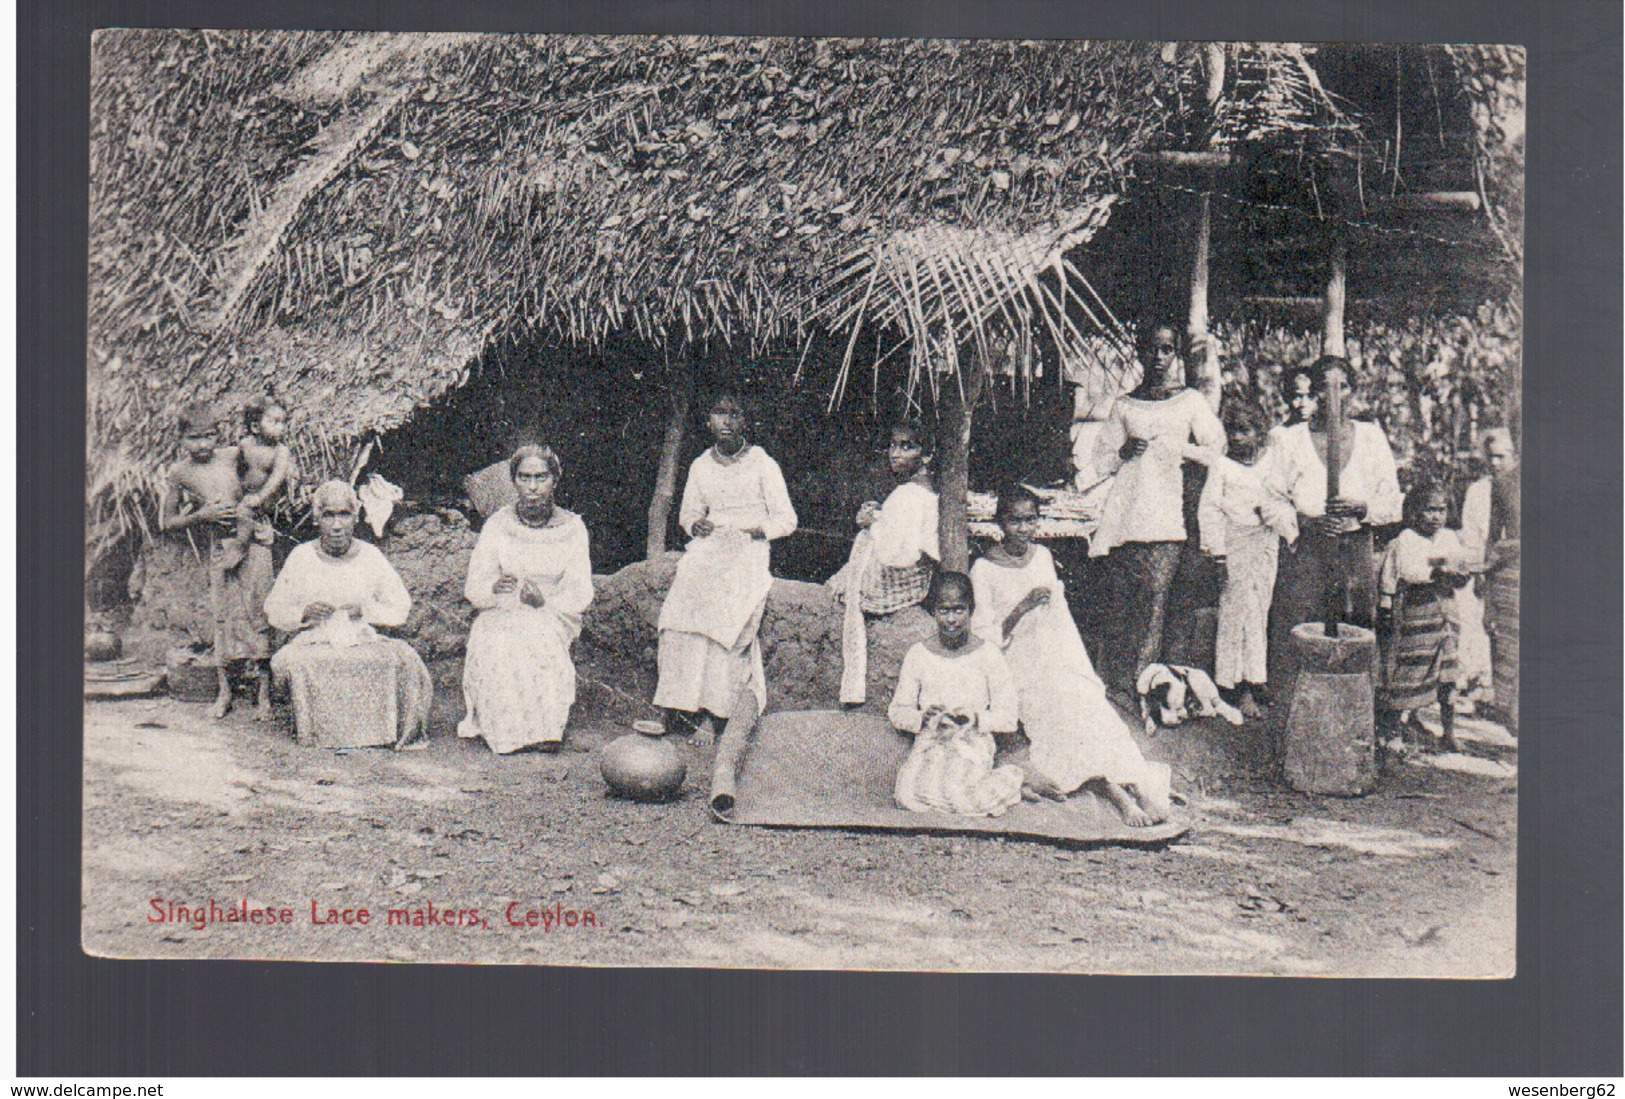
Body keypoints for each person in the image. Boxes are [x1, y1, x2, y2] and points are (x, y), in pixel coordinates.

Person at [971, 486, 1171, 827]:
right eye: (1014, 521)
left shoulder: (1043, 557)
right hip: (1016, 662)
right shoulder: (985, 568)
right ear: (999, 523)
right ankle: (1115, 792)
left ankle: (1138, 785)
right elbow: (984, 636)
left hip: (1055, 652)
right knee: (1062, 715)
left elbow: (1058, 617)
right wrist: (1022, 608)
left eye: (1030, 520)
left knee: (1089, 705)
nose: (1023, 529)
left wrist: (1073, 664)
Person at [1090, 323, 1226, 695]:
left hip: (1168, 514)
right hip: (1126, 516)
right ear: (1140, 352)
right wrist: (1122, 453)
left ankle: (1147, 685)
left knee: (1156, 601)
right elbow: (1099, 461)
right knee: (1122, 601)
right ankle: (1117, 683)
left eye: (1167, 349)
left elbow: (1216, 448)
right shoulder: (1125, 405)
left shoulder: (1190, 402)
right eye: (1152, 349)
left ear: (1176, 354)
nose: (1159, 357)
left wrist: (1179, 449)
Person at [654, 392, 797, 744]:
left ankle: (712, 716)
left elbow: (786, 519)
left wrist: (754, 529)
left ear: (746, 421)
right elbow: (689, 514)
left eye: (735, 414)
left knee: (725, 621)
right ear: (708, 421)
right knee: (679, 614)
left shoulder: (763, 464)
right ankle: (674, 705)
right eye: (720, 413)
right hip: (709, 548)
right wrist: (695, 526)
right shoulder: (701, 466)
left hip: (748, 550)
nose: (727, 422)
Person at [1263, 356, 1403, 690]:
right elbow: (1269, 501)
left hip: (1355, 552)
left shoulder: (1371, 438)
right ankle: (1292, 722)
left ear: (1353, 391)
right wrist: (1305, 523)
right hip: (1306, 555)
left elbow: (1392, 502)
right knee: (1297, 631)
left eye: (1342, 386)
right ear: (1313, 393)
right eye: (1324, 387)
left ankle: (1355, 721)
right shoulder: (1288, 439)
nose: (1334, 395)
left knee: (1355, 632)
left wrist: (1362, 508)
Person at [263, 480, 433, 750]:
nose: (337, 525)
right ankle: (322, 734)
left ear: (356, 517)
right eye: (328, 515)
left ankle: (380, 733)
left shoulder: (371, 556)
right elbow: (274, 610)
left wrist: (365, 610)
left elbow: (400, 607)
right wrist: (303, 612)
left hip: (361, 639)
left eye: (344, 514)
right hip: (315, 641)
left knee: (407, 660)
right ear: (317, 518)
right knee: (296, 663)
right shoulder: (301, 556)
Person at [459, 445, 594, 754]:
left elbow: (580, 590)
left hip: (553, 613)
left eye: (541, 477)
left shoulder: (573, 529)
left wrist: (544, 602)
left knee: (536, 633)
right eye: (524, 478)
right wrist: (496, 586)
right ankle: (505, 730)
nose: (532, 487)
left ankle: (545, 729)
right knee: (494, 635)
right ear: (514, 481)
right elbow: (475, 586)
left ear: (555, 481)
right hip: (503, 609)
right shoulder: (498, 525)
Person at [158, 405, 273, 719]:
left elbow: (268, 463)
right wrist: (200, 515)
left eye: (209, 436)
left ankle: (264, 695)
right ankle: (225, 693)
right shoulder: (179, 472)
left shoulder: (233, 455)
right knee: (222, 616)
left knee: (258, 612)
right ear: (181, 439)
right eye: (194, 438)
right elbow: (167, 521)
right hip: (220, 545)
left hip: (253, 543)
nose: (203, 444)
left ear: (218, 435)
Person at [889, 571, 1026, 818]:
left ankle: (1012, 779)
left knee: (962, 799)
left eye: (959, 610)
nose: (951, 619)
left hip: (971, 742)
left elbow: (1007, 718)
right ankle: (993, 792)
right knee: (906, 796)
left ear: (971, 610)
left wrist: (974, 718)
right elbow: (898, 711)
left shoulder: (989, 655)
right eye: (944, 611)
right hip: (932, 740)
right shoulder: (918, 655)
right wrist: (924, 717)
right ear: (933, 612)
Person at [828, 419, 939, 705]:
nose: (896, 453)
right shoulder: (920, 491)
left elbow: (896, 555)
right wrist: (880, 517)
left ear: (926, 455)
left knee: (862, 544)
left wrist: (870, 524)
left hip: (892, 586)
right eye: (893, 445)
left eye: (907, 447)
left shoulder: (908, 495)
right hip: (914, 581)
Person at [1198, 400, 1298, 718]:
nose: (1238, 437)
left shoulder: (1272, 464)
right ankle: (1229, 683)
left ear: (1259, 432)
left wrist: (1277, 519)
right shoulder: (1222, 466)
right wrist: (1217, 553)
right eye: (1233, 430)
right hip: (1235, 542)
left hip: (1266, 543)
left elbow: (1284, 502)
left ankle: (1256, 680)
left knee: (1259, 610)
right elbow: (1210, 509)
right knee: (1234, 612)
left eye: (1246, 430)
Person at [1377, 484, 1471, 753]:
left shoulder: (1450, 537)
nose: (1435, 516)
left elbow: (1459, 567)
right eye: (1429, 510)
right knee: (1411, 670)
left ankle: (1448, 731)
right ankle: (1394, 729)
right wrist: (1439, 568)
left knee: (1448, 671)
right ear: (1415, 512)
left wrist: (1456, 572)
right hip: (1417, 614)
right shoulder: (1405, 539)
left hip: (1446, 612)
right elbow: (1406, 573)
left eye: (1440, 510)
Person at [1453, 428, 1515, 715]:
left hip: (1510, 570)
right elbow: (1472, 534)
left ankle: (1503, 693)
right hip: (1482, 565)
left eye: (1502, 457)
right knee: (1479, 620)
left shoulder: (1518, 488)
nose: (1495, 463)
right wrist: (1479, 568)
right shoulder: (1478, 490)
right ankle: (1478, 679)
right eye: (1491, 457)